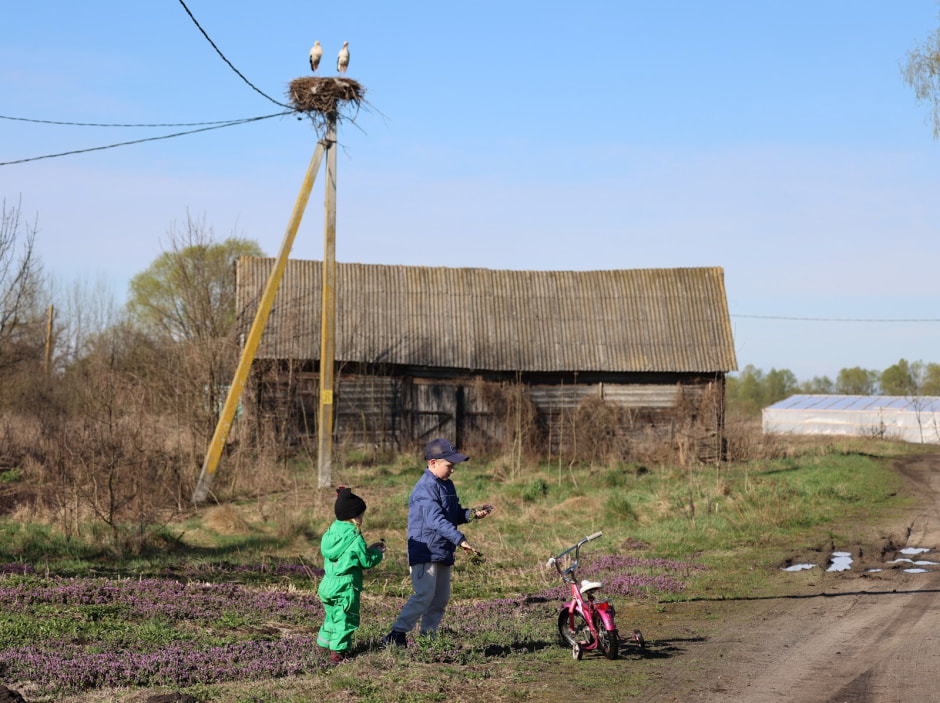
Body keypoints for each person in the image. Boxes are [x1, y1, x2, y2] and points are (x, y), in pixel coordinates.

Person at [381, 438, 494, 647]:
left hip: (442, 550)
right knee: (424, 594)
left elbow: (452, 514)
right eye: (449, 466)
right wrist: (460, 540)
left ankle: (427, 640)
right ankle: (396, 634)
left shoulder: (447, 485)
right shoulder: (424, 488)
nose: (453, 470)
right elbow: (436, 520)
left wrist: (472, 515)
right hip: (425, 550)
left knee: (440, 599)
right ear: (433, 463)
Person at [317, 486, 386, 664]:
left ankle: (323, 646)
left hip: (327, 584)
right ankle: (338, 655)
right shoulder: (355, 536)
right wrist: (377, 553)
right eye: (361, 515)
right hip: (346, 586)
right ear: (354, 517)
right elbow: (365, 561)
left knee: (332, 616)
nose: (362, 518)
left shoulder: (331, 532)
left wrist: (366, 550)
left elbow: (348, 555)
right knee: (345, 620)